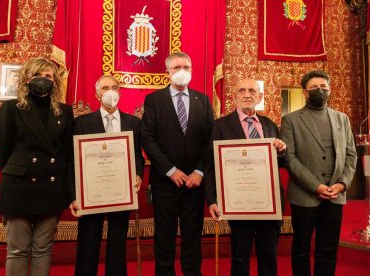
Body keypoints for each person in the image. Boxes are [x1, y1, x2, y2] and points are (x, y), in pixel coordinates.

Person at [0, 57, 74, 276]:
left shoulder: (64, 112)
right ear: (27, 78)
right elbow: (2, 150)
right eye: (37, 75)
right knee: (18, 249)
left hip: (50, 187)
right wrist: (19, 172)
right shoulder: (12, 107)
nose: (43, 80)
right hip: (18, 187)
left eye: (48, 76)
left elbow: (66, 154)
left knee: (43, 249)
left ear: (55, 81)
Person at [140, 52, 214, 275]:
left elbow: (210, 139)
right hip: (165, 183)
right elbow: (147, 138)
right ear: (168, 72)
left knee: (193, 237)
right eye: (177, 67)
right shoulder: (154, 100)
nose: (182, 71)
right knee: (164, 237)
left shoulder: (204, 100)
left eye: (186, 67)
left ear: (191, 70)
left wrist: (200, 171)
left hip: (194, 183)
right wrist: (170, 171)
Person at [204, 78, 287, 276]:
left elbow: (281, 163)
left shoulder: (270, 125)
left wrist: (282, 151)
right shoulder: (220, 126)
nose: (247, 94)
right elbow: (209, 165)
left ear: (260, 96)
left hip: (268, 202)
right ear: (235, 96)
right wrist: (213, 199)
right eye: (242, 90)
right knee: (240, 258)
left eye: (252, 90)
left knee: (269, 257)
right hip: (238, 202)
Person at [281, 70, 357, 276]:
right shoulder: (291, 120)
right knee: (301, 250)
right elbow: (290, 158)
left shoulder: (342, 119)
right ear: (305, 92)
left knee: (328, 250)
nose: (319, 91)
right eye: (314, 88)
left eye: (323, 87)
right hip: (304, 196)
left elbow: (351, 155)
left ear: (330, 90)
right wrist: (316, 186)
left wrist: (342, 185)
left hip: (335, 196)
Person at [69, 75, 145, 276]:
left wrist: (138, 174)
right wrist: (74, 195)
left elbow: (137, 156)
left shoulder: (132, 123)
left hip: (121, 192)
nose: (110, 91)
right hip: (91, 193)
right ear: (97, 94)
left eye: (114, 87)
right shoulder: (82, 123)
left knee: (118, 245)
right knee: (88, 243)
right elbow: (73, 161)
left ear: (120, 92)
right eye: (105, 88)